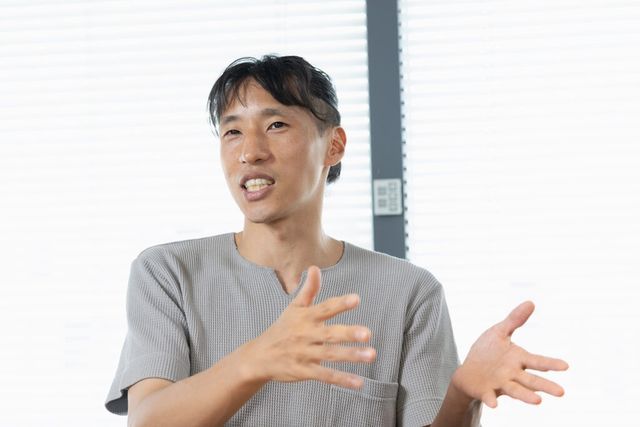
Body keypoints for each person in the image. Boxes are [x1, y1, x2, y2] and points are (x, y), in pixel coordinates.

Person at [105, 55, 568, 426]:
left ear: (334, 145)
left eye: (276, 125)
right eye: (232, 131)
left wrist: (463, 396)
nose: (250, 151)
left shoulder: (410, 292)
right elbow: (148, 421)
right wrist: (257, 360)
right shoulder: (168, 273)